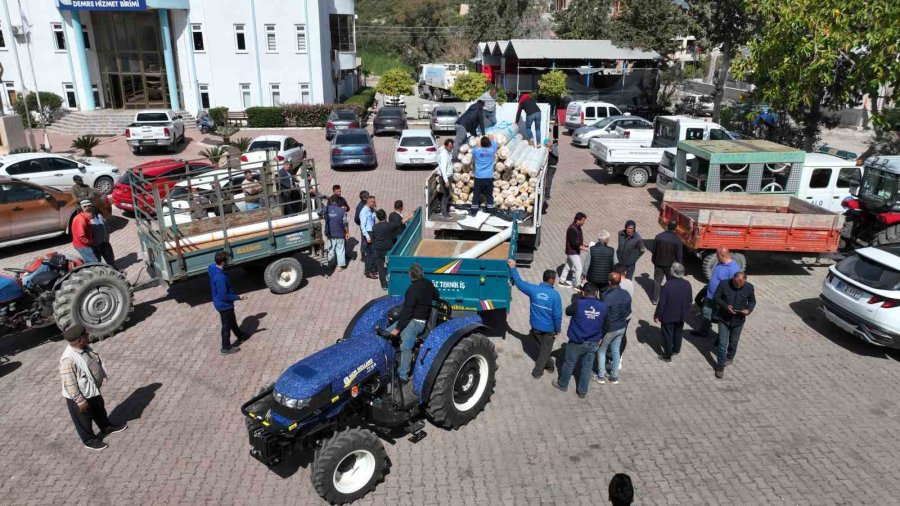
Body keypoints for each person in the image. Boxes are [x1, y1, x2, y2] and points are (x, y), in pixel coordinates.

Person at [60, 324, 127, 451]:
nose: (88, 336)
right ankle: (89, 440)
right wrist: (80, 400)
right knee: (84, 419)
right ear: (79, 340)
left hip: (91, 389)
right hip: (80, 396)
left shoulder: (83, 347)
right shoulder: (68, 359)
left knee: (99, 409)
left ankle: (106, 427)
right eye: (85, 335)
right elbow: (70, 383)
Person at [507, 259, 563, 378]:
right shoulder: (555, 296)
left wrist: (513, 267)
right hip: (549, 329)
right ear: (552, 280)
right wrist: (558, 329)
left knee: (542, 348)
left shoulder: (533, 290)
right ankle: (538, 372)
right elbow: (557, 316)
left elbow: (519, 283)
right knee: (545, 350)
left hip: (535, 327)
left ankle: (549, 364)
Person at [553, 282, 606, 399]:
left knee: (569, 363)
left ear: (583, 292)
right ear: (596, 293)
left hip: (577, 341)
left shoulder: (578, 304)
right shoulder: (603, 306)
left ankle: (563, 384)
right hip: (594, 342)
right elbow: (606, 323)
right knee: (587, 367)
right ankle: (582, 391)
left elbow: (567, 311)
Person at [389, 263, 439, 382]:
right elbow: (436, 295)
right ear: (421, 274)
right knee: (387, 333)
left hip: (415, 322)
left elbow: (407, 313)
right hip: (418, 320)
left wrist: (398, 328)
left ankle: (403, 375)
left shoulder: (411, 291)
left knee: (406, 346)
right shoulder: (428, 283)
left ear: (411, 276)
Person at [692, 247, 742, 340]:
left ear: (722, 255)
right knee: (706, 313)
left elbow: (734, 287)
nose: (716, 256)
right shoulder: (720, 262)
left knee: (720, 318)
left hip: (719, 299)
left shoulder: (733, 270)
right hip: (710, 295)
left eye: (717, 255)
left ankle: (721, 337)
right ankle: (703, 331)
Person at [713, 271, 756, 378]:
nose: (739, 286)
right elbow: (716, 297)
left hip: (738, 320)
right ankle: (720, 366)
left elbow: (752, 301)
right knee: (723, 343)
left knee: (733, 342)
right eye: (737, 284)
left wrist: (748, 310)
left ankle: (730, 357)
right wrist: (725, 306)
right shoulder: (724, 284)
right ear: (733, 279)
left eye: (741, 285)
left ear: (745, 281)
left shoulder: (749, 287)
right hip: (724, 319)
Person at [208, 251, 247, 354]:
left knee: (232, 320)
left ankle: (240, 335)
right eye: (227, 260)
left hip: (220, 303)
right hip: (224, 305)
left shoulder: (212, 268)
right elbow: (224, 295)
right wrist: (238, 297)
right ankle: (226, 347)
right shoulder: (220, 278)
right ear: (222, 262)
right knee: (226, 325)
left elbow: (210, 266)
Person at [596, 272, 631, 385]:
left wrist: (601, 332)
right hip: (622, 327)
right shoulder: (626, 294)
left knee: (602, 350)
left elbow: (602, 315)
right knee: (616, 351)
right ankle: (614, 376)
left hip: (610, 328)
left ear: (609, 282)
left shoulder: (607, 296)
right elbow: (628, 311)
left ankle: (601, 376)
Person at [653, 262, 692, 361]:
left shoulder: (668, 285)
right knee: (678, 332)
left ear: (673, 272)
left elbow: (661, 303)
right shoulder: (687, 284)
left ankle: (667, 355)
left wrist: (656, 315)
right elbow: (690, 300)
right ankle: (676, 349)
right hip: (681, 315)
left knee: (667, 335)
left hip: (668, 316)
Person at [371, 208, 413, 289]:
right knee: (389, 265)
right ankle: (392, 282)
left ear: (377, 218)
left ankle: (383, 285)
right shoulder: (389, 225)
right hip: (387, 250)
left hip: (378, 250)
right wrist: (410, 216)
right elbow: (401, 222)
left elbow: (373, 238)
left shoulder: (374, 227)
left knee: (380, 268)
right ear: (385, 216)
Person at [650, 220, 684, 304]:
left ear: (667, 226)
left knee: (657, 281)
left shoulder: (658, 237)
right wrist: (679, 266)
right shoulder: (677, 240)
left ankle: (655, 299)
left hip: (658, 263)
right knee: (670, 283)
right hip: (670, 266)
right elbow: (679, 256)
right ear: (676, 228)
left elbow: (654, 250)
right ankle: (668, 299)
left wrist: (654, 260)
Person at [469, 135, 499, 216]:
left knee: (476, 194)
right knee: (489, 195)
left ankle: (473, 211)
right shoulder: (492, 150)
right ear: (489, 143)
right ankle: (490, 210)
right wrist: (491, 139)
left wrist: (478, 145)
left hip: (478, 177)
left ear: (481, 143)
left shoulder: (477, 151)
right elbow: (495, 145)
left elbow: (472, 151)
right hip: (488, 177)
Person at [560, 212, 588, 287]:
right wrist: (583, 248)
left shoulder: (577, 227)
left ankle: (562, 281)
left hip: (572, 251)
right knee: (579, 268)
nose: (584, 222)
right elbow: (573, 243)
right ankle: (577, 285)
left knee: (568, 266)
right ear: (578, 220)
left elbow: (577, 240)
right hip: (572, 252)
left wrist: (583, 243)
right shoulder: (572, 229)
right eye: (583, 220)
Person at [324, 195, 350, 276]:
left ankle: (330, 264)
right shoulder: (342, 211)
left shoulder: (326, 208)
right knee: (340, 250)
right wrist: (347, 233)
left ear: (331, 201)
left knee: (331, 249)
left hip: (330, 233)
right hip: (340, 233)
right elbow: (345, 223)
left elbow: (318, 212)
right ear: (338, 202)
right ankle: (340, 266)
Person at [360, 195, 378, 279]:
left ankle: (371, 269)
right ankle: (368, 271)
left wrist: (374, 211)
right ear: (369, 202)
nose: (374, 203)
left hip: (372, 232)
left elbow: (373, 219)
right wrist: (367, 237)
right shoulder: (364, 212)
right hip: (368, 233)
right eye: (373, 202)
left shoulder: (371, 210)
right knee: (369, 254)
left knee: (373, 253)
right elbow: (362, 226)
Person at [436, 138, 454, 218]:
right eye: (450, 147)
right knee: (445, 195)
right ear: (446, 146)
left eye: (452, 147)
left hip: (447, 176)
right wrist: (446, 181)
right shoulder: (444, 155)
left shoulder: (447, 152)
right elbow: (443, 169)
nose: (451, 149)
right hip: (445, 177)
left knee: (446, 195)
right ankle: (444, 213)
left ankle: (444, 211)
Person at [354, 190, 370, 261]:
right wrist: (361, 224)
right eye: (367, 196)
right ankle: (363, 255)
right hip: (364, 227)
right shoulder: (360, 207)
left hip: (369, 225)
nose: (368, 197)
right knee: (364, 241)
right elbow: (356, 219)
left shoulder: (368, 203)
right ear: (363, 198)